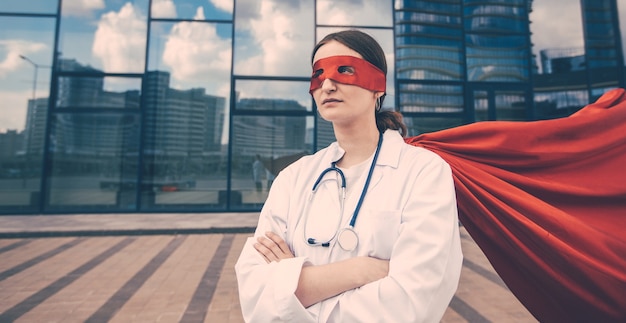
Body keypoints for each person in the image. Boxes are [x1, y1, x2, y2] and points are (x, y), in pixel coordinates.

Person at [235, 30, 463, 322]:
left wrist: (295, 288)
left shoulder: (424, 172)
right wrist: (358, 271)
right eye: (318, 74)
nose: (327, 84)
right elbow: (255, 291)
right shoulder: (294, 178)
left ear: (378, 87)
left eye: (344, 70)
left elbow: (411, 302)